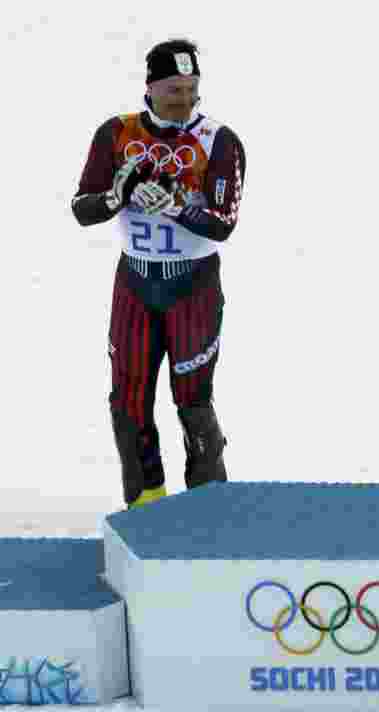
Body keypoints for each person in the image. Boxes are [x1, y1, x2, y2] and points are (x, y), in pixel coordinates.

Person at [71, 38, 246, 509]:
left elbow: (223, 223)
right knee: (128, 401)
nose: (184, 100)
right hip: (135, 284)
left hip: (194, 287)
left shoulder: (218, 140)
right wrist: (116, 197)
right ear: (149, 87)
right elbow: (81, 208)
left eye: (192, 89)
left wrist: (173, 207)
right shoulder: (116, 133)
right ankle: (147, 504)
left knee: (193, 400)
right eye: (173, 89)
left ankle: (208, 508)